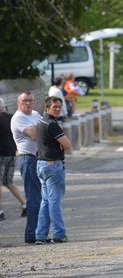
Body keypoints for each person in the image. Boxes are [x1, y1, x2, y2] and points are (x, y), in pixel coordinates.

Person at [36, 96, 71, 244]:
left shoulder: (40, 121)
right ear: (47, 108)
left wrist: (60, 144)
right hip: (53, 166)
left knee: (45, 201)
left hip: (41, 165)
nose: (57, 109)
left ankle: (40, 236)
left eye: (59, 106)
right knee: (54, 202)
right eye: (54, 107)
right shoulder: (51, 124)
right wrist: (61, 144)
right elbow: (67, 144)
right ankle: (59, 234)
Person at [10, 91, 42, 243]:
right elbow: (35, 134)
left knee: (42, 198)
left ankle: (40, 233)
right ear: (18, 103)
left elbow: (48, 129)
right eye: (24, 101)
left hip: (39, 158)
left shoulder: (35, 114)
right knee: (33, 198)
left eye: (30, 100)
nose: (27, 103)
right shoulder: (18, 118)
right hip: (28, 159)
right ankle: (31, 235)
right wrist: (42, 128)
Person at [0, 98, 26, 220]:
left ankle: (0, 211)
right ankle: (25, 204)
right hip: (11, 153)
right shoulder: (12, 117)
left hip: (0, 154)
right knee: (8, 182)